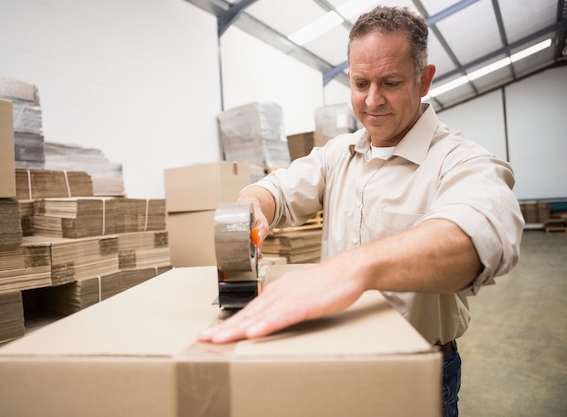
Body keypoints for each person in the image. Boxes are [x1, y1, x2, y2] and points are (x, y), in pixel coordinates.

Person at [199, 5, 524, 417]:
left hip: (416, 370)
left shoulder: (461, 161)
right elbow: (275, 189)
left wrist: (352, 269)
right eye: (359, 83)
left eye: (390, 82)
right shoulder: (340, 153)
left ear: (424, 81)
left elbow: (482, 235)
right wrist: (251, 208)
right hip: (333, 360)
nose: (373, 100)